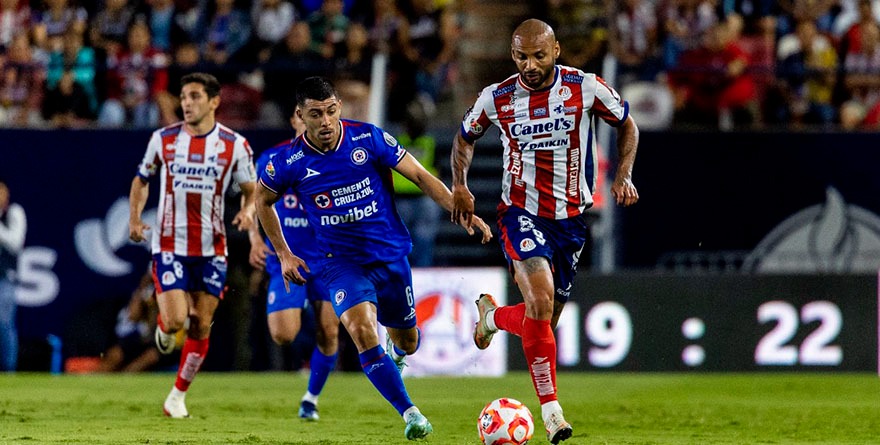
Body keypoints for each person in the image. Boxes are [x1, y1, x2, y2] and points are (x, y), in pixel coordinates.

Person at [255, 76, 492, 440]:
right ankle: (411, 414)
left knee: (408, 341)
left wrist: (460, 212)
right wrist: (284, 253)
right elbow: (262, 201)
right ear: (301, 116)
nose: (326, 121)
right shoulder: (289, 162)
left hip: (389, 255)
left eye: (331, 111)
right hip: (339, 262)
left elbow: (419, 175)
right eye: (315, 114)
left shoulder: (368, 138)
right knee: (362, 330)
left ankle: (396, 356)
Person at [450, 19, 640, 444]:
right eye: (521, 56)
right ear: (512, 54)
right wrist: (460, 185)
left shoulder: (586, 87)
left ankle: (493, 317)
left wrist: (624, 174)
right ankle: (552, 413)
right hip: (520, 212)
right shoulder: (495, 98)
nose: (530, 64)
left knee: (543, 322)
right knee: (539, 299)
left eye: (539, 55)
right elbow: (464, 139)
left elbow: (628, 124)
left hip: (571, 222)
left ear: (556, 50)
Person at [128, 72, 257, 418]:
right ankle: (164, 326)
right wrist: (135, 219)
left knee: (201, 323)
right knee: (175, 321)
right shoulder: (163, 139)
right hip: (170, 244)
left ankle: (177, 396)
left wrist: (247, 212)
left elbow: (252, 191)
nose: (187, 102)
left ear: (214, 101)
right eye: (184, 96)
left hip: (212, 249)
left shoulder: (235, 145)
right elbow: (142, 180)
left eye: (195, 96)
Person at [248, 110, 339, 421]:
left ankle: (310, 399)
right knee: (284, 333)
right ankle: (295, 312)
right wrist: (254, 239)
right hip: (285, 257)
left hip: (326, 258)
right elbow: (255, 203)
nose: (312, 124)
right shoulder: (273, 159)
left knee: (329, 331)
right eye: (307, 118)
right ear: (295, 119)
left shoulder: (334, 158)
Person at [0, 178, 26, 372]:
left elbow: (15, 243)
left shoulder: (14, 213)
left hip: (4, 279)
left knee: (4, 324)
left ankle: (8, 370)